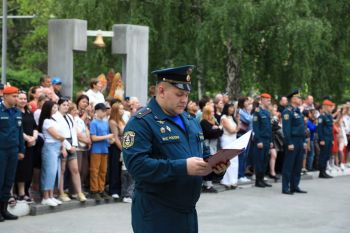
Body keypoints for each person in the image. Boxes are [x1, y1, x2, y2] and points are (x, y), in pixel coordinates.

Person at [122, 65, 228, 233]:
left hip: (187, 213)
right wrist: (183, 167)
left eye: (186, 95)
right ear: (162, 91)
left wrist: (216, 168)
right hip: (157, 214)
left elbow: (203, 157)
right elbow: (137, 166)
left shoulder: (190, 121)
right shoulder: (141, 122)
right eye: (179, 94)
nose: (184, 100)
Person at [53, 98, 86, 202]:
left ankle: (79, 192)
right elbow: (58, 134)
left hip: (72, 143)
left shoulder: (69, 117)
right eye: (63, 105)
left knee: (75, 169)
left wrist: (74, 145)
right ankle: (61, 192)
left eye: (67, 105)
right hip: (62, 143)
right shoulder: (55, 117)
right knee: (62, 170)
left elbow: (73, 132)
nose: (66, 107)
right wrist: (67, 146)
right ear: (58, 106)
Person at [0, 86, 25, 221]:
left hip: (13, 151)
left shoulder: (17, 112)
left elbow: (20, 133)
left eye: (17, 96)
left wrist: (21, 150)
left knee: (9, 181)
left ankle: (4, 210)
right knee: (0, 180)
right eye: (14, 96)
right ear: (5, 96)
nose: (17, 99)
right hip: (1, 151)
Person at [38, 101, 65, 206]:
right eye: (53, 107)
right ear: (48, 108)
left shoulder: (53, 120)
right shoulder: (46, 121)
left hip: (56, 146)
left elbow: (59, 135)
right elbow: (57, 136)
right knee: (48, 172)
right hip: (50, 147)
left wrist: (62, 139)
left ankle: (51, 195)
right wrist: (63, 138)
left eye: (56, 107)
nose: (55, 109)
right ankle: (45, 197)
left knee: (54, 172)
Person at [281, 90, 307, 195]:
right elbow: (286, 129)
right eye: (299, 98)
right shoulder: (288, 111)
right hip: (292, 140)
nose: (300, 100)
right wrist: (289, 142)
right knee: (289, 165)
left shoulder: (297, 111)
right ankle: (285, 187)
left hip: (300, 140)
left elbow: (302, 128)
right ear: (293, 99)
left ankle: (295, 186)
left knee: (297, 165)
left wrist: (304, 140)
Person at [15, 92, 38, 203]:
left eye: (25, 99)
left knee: (28, 169)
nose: (23, 101)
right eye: (20, 98)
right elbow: (17, 129)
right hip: (20, 144)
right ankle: (20, 193)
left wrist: (33, 138)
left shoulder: (29, 112)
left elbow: (35, 127)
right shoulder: (14, 112)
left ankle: (26, 191)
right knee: (20, 169)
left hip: (30, 145)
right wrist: (27, 139)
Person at [90, 103, 114, 202]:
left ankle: (101, 189)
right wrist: (107, 137)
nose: (105, 113)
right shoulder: (93, 123)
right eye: (103, 111)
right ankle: (94, 191)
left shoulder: (105, 123)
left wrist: (110, 140)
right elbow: (93, 138)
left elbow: (105, 136)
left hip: (104, 149)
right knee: (95, 171)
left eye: (105, 111)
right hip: (96, 150)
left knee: (103, 171)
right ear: (97, 111)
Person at [200, 105, 224, 193]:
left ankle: (208, 184)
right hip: (207, 146)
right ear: (207, 113)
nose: (213, 113)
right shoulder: (203, 122)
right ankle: (207, 185)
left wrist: (217, 129)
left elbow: (221, 132)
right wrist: (218, 129)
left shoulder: (213, 121)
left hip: (213, 146)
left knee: (212, 164)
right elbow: (210, 133)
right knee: (208, 164)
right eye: (212, 112)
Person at [252, 93, 273, 188]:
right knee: (259, 160)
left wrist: (271, 140)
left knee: (265, 160)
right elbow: (256, 128)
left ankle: (262, 179)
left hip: (267, 139)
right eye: (267, 100)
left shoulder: (267, 112)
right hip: (261, 140)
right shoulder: (257, 111)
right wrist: (258, 140)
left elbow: (269, 128)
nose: (269, 102)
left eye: (269, 100)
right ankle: (258, 180)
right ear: (263, 100)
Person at [220, 103, 240, 188]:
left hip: (233, 139)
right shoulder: (223, 117)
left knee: (234, 160)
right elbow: (231, 130)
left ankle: (233, 181)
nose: (232, 109)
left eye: (233, 108)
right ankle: (226, 181)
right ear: (226, 108)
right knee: (227, 160)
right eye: (230, 108)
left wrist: (237, 123)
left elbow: (237, 129)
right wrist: (238, 125)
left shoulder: (232, 118)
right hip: (226, 140)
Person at [108, 102, 125, 199]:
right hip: (116, 147)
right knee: (115, 168)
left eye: (123, 109)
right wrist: (122, 149)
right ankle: (113, 189)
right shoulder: (112, 121)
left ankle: (120, 189)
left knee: (121, 169)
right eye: (120, 109)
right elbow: (116, 137)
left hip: (123, 145)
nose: (122, 111)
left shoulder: (122, 120)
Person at [317, 100, 336, 178]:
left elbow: (330, 129)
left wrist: (332, 139)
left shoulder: (329, 116)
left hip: (329, 139)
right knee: (323, 155)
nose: (331, 108)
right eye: (330, 107)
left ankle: (324, 170)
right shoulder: (322, 116)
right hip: (324, 139)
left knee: (327, 155)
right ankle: (322, 172)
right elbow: (320, 129)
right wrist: (321, 139)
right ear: (326, 107)